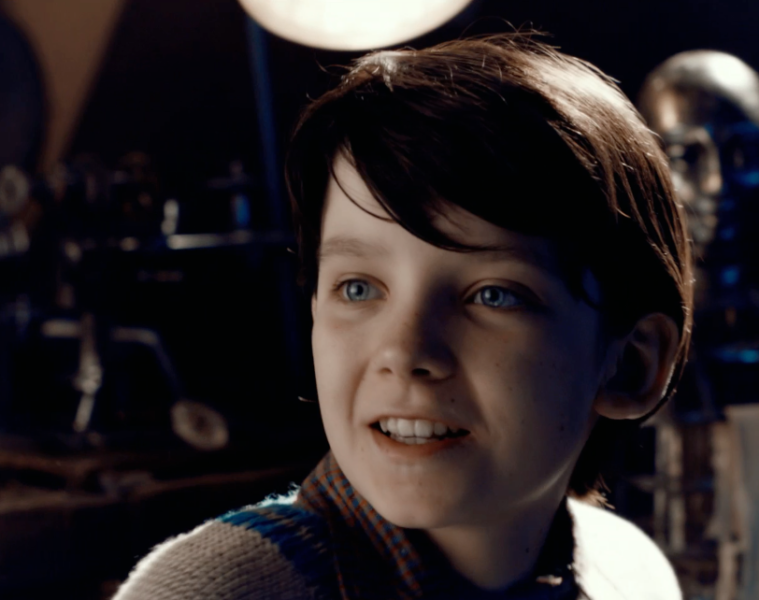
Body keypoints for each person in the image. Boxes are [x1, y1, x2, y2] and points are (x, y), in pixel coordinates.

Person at [113, 33, 692, 600]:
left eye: (493, 295)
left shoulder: (632, 575)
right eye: (358, 288)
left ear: (631, 364)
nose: (404, 352)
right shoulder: (210, 592)